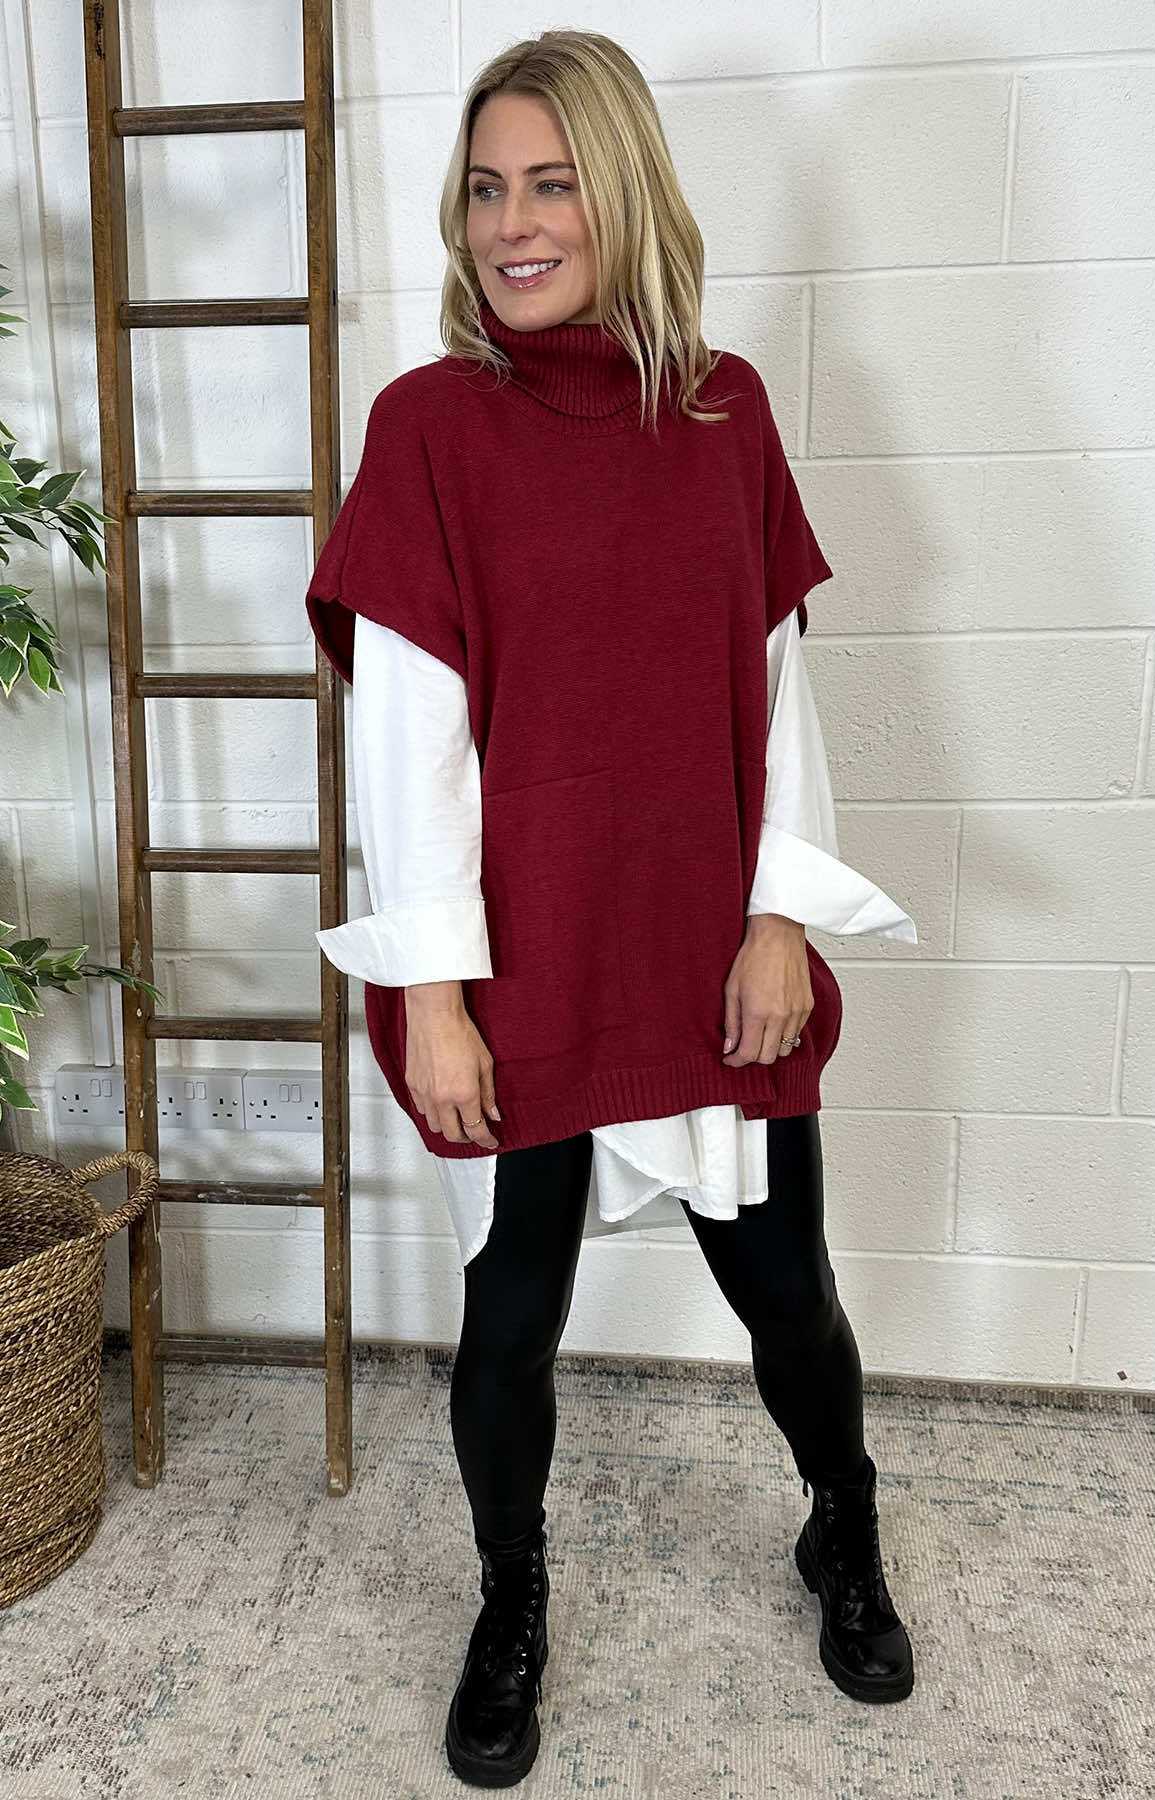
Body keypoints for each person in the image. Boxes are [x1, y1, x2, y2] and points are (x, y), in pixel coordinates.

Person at [306, 29, 918, 1788]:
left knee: (790, 1295)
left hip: (708, 949)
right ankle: (513, 1593)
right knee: (509, 1326)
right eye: (485, 189)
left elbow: (777, 685)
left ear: (624, 193)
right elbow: (409, 741)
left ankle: (842, 1517)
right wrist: (434, 994)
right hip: (517, 967)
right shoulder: (427, 429)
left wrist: (782, 918)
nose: (513, 224)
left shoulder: (726, 411)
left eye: (552, 184)